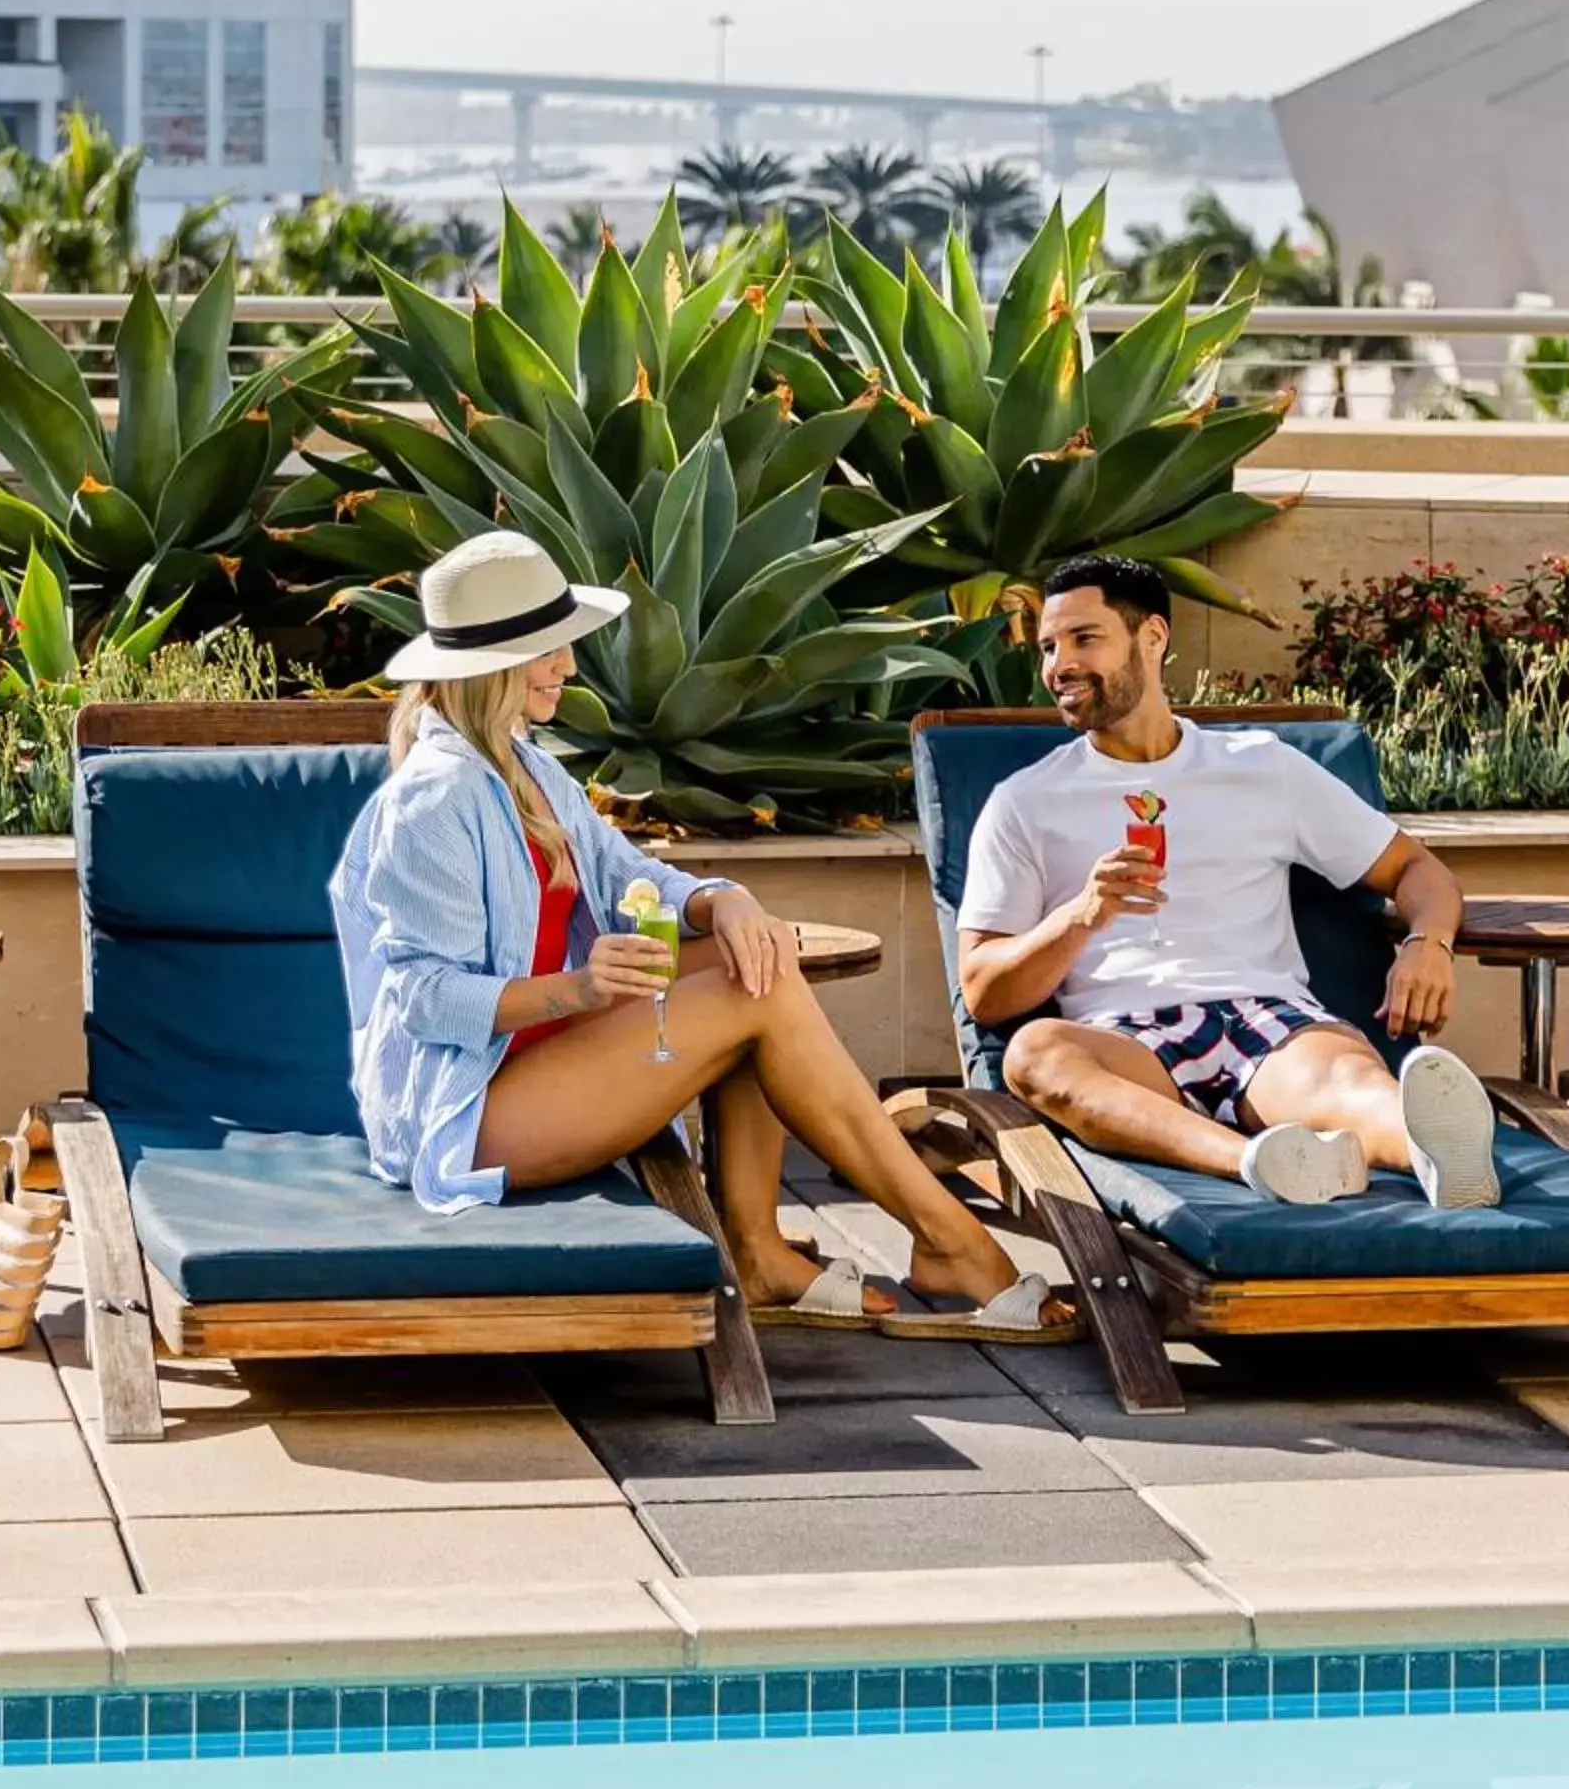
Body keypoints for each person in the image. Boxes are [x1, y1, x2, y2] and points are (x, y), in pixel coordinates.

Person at [335, 531, 1073, 1339]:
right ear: (493, 665)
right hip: (465, 1109)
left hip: (539, 1057)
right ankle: (949, 1242)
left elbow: (631, 879)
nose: (570, 668)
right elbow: (423, 1001)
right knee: (748, 995)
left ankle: (762, 1253)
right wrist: (576, 989)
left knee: (755, 954)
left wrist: (725, 902)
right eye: (550, 651)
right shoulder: (434, 800)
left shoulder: (528, 768)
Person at [954, 554, 1504, 1210]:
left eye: (1084, 639)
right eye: (1048, 647)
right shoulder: (1025, 801)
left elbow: (1418, 871)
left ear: (1152, 637)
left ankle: (1434, 1149)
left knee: (1351, 1082)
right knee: (1033, 1055)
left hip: (1267, 1021)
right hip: (1124, 1043)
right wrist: (1081, 916)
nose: (1059, 665)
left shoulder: (1262, 768)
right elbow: (984, 992)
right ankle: (1257, 1160)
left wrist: (1428, 944)